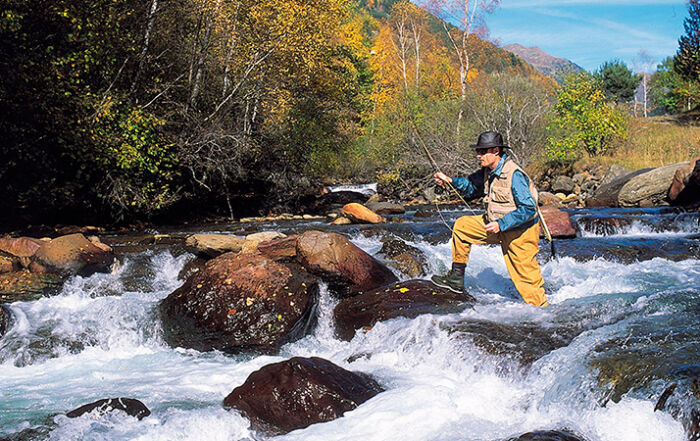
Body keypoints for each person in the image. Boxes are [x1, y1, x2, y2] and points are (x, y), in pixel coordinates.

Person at [430, 131, 548, 307]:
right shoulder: (488, 171)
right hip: (493, 224)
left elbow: (529, 209)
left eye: (483, 151)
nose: (479, 155)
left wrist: (501, 224)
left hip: (519, 233)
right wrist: (449, 181)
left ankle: (543, 315)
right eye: (478, 151)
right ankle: (456, 278)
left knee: (528, 285)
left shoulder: (514, 174)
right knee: (462, 226)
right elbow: (470, 187)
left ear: (496, 151)